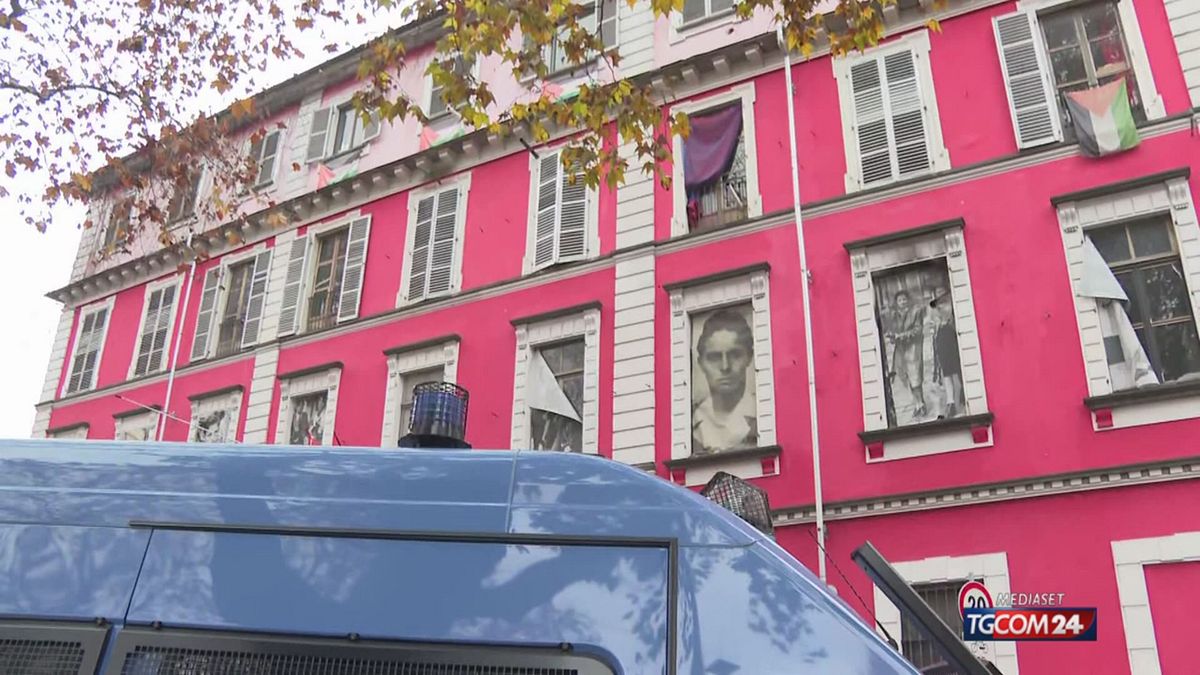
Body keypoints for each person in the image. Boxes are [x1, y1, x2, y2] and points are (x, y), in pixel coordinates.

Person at [692, 309, 758, 455]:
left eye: (735, 355)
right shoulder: (691, 420)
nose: (725, 366)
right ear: (701, 363)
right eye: (714, 357)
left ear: (749, 357)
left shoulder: (761, 413)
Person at [887, 290, 927, 421]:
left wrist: (901, 336)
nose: (902, 302)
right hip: (900, 349)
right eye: (900, 300)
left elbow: (918, 330)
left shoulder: (915, 312)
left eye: (904, 299)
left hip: (913, 347)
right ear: (896, 303)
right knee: (904, 375)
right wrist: (892, 336)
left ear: (908, 300)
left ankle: (921, 404)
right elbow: (893, 330)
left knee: (915, 375)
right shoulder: (895, 315)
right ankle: (917, 403)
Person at [929, 289, 963, 419]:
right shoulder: (936, 315)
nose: (939, 306)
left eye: (942, 302)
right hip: (943, 344)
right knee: (947, 375)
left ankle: (957, 401)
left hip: (952, 343)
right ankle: (951, 403)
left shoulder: (952, 308)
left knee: (956, 374)